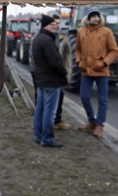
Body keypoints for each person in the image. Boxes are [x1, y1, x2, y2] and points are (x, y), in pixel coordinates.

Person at [75, 7, 118, 138]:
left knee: (102, 99)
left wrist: (104, 63)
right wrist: (79, 62)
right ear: (88, 18)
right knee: (84, 96)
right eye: (93, 16)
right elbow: (77, 49)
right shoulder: (81, 32)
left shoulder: (106, 32)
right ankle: (91, 121)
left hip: (101, 70)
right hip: (86, 70)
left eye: (97, 16)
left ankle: (100, 125)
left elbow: (114, 51)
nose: (96, 18)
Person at [31, 15, 68, 148]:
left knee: (40, 109)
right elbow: (55, 61)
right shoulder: (47, 41)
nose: (56, 27)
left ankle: (38, 135)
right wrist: (63, 73)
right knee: (49, 111)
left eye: (56, 25)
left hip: (41, 79)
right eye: (52, 25)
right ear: (45, 26)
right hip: (50, 81)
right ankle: (47, 138)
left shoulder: (38, 39)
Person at [52, 14, 71, 130]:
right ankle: (54, 121)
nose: (57, 26)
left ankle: (56, 119)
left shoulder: (57, 35)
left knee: (59, 95)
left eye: (59, 23)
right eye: (55, 23)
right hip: (49, 73)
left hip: (54, 72)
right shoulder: (46, 36)